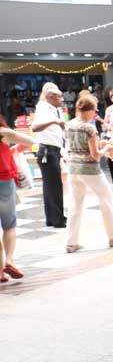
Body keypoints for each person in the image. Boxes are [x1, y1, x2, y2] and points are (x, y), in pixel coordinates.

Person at [64, 95, 113, 253]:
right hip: (89, 169)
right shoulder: (89, 128)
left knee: (75, 204)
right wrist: (106, 148)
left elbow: (77, 146)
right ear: (89, 110)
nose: (95, 113)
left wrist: (100, 144)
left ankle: (71, 242)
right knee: (107, 199)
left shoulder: (69, 124)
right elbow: (96, 156)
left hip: (73, 168)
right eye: (94, 110)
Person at [0, 119, 35, 281]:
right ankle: (9, 260)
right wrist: (10, 149)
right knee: (9, 225)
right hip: (4, 182)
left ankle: (0, 273)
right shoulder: (3, 133)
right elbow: (30, 142)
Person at [31, 84, 66, 228]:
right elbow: (34, 127)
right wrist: (54, 121)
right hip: (47, 150)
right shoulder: (43, 108)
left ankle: (53, 218)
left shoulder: (55, 109)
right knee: (54, 186)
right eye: (59, 97)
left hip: (55, 149)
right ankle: (57, 219)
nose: (62, 100)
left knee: (51, 186)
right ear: (50, 96)